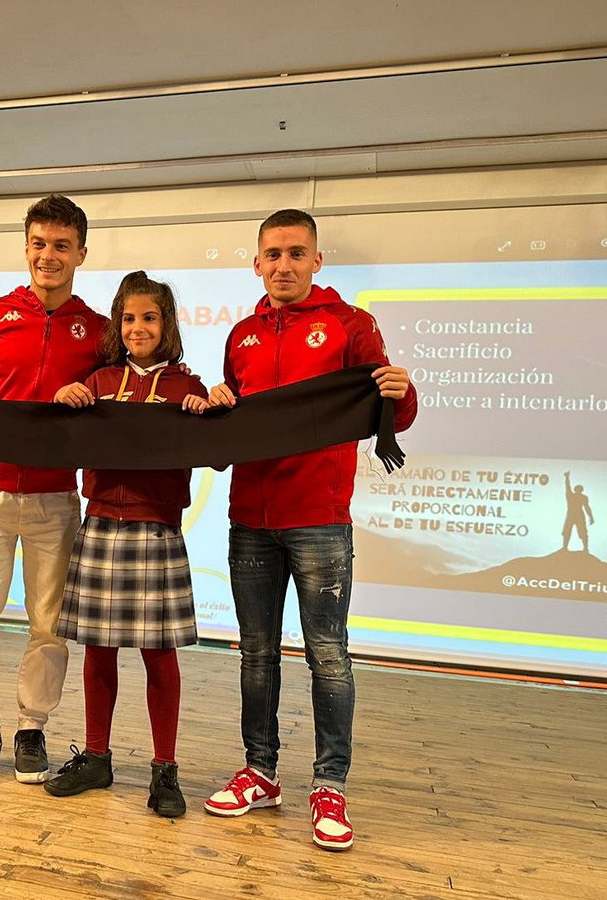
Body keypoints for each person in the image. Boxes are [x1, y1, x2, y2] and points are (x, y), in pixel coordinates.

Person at [204, 209, 417, 851]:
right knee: (256, 652)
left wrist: (401, 394)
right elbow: (234, 423)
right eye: (272, 254)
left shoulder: (350, 325)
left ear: (317, 261)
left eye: (297, 253)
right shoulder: (239, 335)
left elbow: (390, 409)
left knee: (327, 653)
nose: (284, 265)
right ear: (257, 263)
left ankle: (330, 786)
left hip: (320, 520)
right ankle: (260, 772)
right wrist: (216, 406)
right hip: (250, 520)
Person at [0, 194, 108, 784]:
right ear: (25, 247)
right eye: (38, 244)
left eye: (61, 246)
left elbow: (121, 392)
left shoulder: (100, 332)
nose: (48, 256)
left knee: (49, 623)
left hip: (56, 500)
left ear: (81, 252)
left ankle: (32, 727)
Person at [43, 271, 209, 818]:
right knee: (99, 649)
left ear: (167, 324)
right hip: (101, 525)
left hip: (157, 528)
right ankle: (96, 756)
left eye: (151, 317)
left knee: (159, 655)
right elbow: (61, 430)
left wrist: (212, 410)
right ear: (118, 324)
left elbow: (220, 450)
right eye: (130, 318)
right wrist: (64, 398)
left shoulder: (190, 387)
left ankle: (165, 769)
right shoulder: (96, 381)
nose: (139, 327)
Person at [562, 471, 594, 553]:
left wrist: (591, 517)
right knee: (567, 531)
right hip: (571, 515)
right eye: (578, 489)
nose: (578, 491)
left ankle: (585, 548)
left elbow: (587, 507)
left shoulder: (583, 497)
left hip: (579, 515)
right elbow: (567, 487)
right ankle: (565, 547)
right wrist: (567, 478)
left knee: (583, 531)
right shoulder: (570, 495)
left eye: (579, 489)